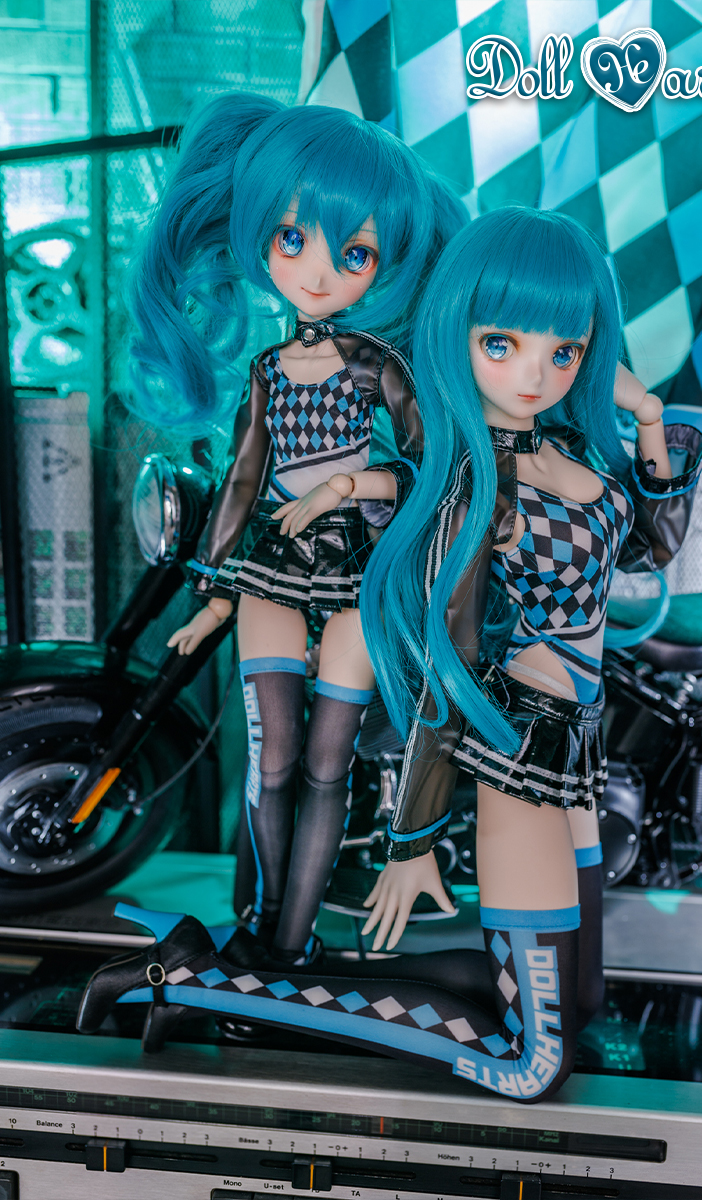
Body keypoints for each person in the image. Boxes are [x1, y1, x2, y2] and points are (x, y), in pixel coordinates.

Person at [79, 207, 702, 1103]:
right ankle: (189, 981)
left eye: (564, 350)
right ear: (456, 338)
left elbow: (650, 547)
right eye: (502, 344)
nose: (535, 373)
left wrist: (646, 417)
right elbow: (450, 669)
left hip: (579, 754)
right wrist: (414, 838)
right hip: (520, 754)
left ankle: (260, 977)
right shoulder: (474, 489)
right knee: (533, 1068)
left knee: (582, 1000)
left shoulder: (579, 460)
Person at [129, 91, 466, 966]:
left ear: (384, 264)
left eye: (354, 253)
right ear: (259, 241)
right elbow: (242, 480)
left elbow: (428, 470)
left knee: (326, 764)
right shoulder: (267, 370)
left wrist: (352, 485)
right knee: (270, 759)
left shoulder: (378, 368)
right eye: (292, 240)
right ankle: (263, 925)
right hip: (270, 570)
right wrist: (211, 592)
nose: (318, 274)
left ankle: (290, 939)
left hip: (356, 572)